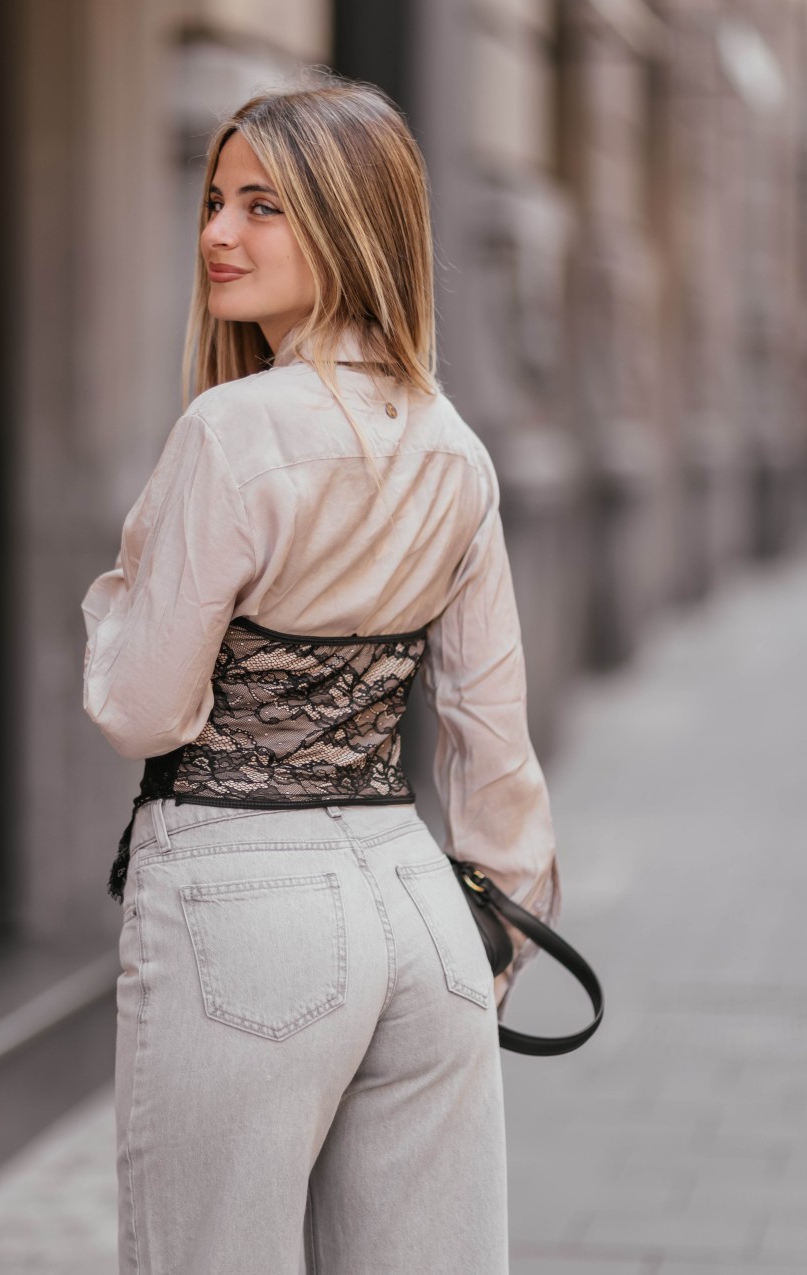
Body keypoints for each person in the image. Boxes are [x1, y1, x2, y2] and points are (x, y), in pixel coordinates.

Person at [81, 75, 560, 1275]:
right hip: (421, 908)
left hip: (242, 909)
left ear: (350, 224)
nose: (217, 233)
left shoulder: (230, 430)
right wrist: (501, 934)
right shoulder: (454, 449)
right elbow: (491, 737)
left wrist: (118, 593)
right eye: (213, 200)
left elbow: (141, 708)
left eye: (262, 207)